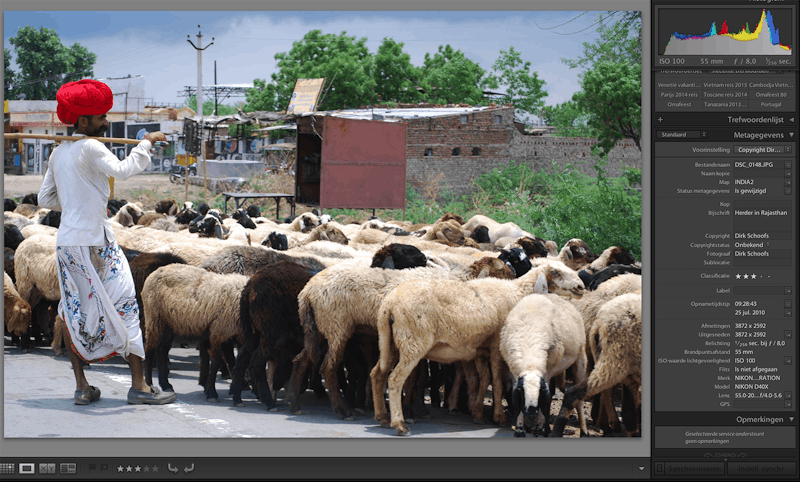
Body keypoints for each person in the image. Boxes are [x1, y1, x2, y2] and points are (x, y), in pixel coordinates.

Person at [38, 79, 176, 405]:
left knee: (74, 310)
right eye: (100, 116)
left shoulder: (59, 153)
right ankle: (139, 386)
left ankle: (82, 386)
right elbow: (123, 170)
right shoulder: (91, 146)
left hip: (68, 243)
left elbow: (46, 197)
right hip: (96, 243)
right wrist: (146, 144)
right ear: (83, 121)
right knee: (126, 303)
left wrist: (75, 203)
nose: (105, 122)